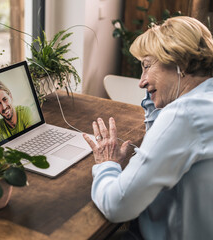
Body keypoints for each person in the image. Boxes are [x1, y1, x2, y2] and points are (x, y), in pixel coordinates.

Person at [83, 16, 213, 239]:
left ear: (179, 63)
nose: (141, 81)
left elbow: (117, 205)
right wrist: (157, 92)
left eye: (146, 66)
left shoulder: (184, 116)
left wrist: (107, 164)